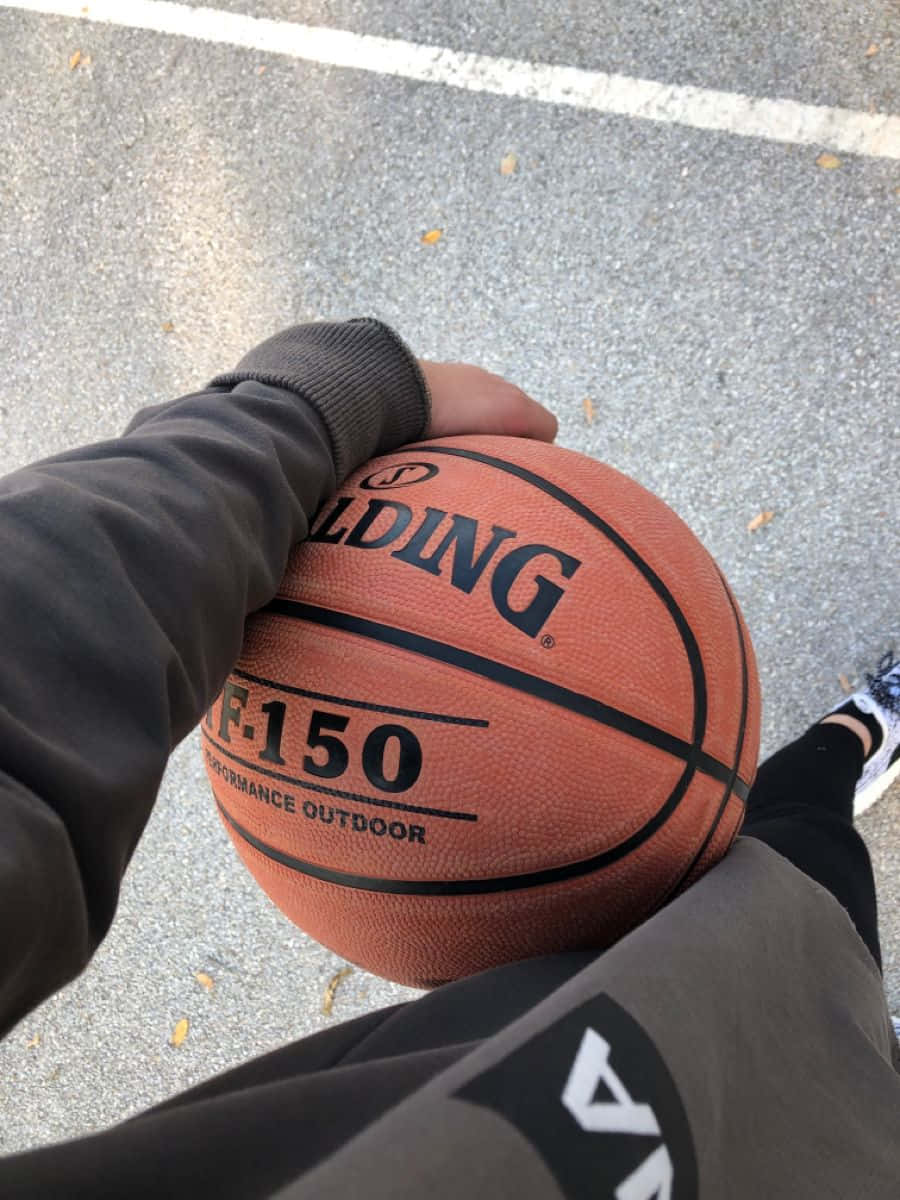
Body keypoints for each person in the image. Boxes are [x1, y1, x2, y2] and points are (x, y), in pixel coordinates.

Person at [0, 318, 897, 1198]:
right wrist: (286, 412)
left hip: (537, 1047)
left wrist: (297, 409)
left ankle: (847, 743)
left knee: (797, 864)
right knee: (796, 941)